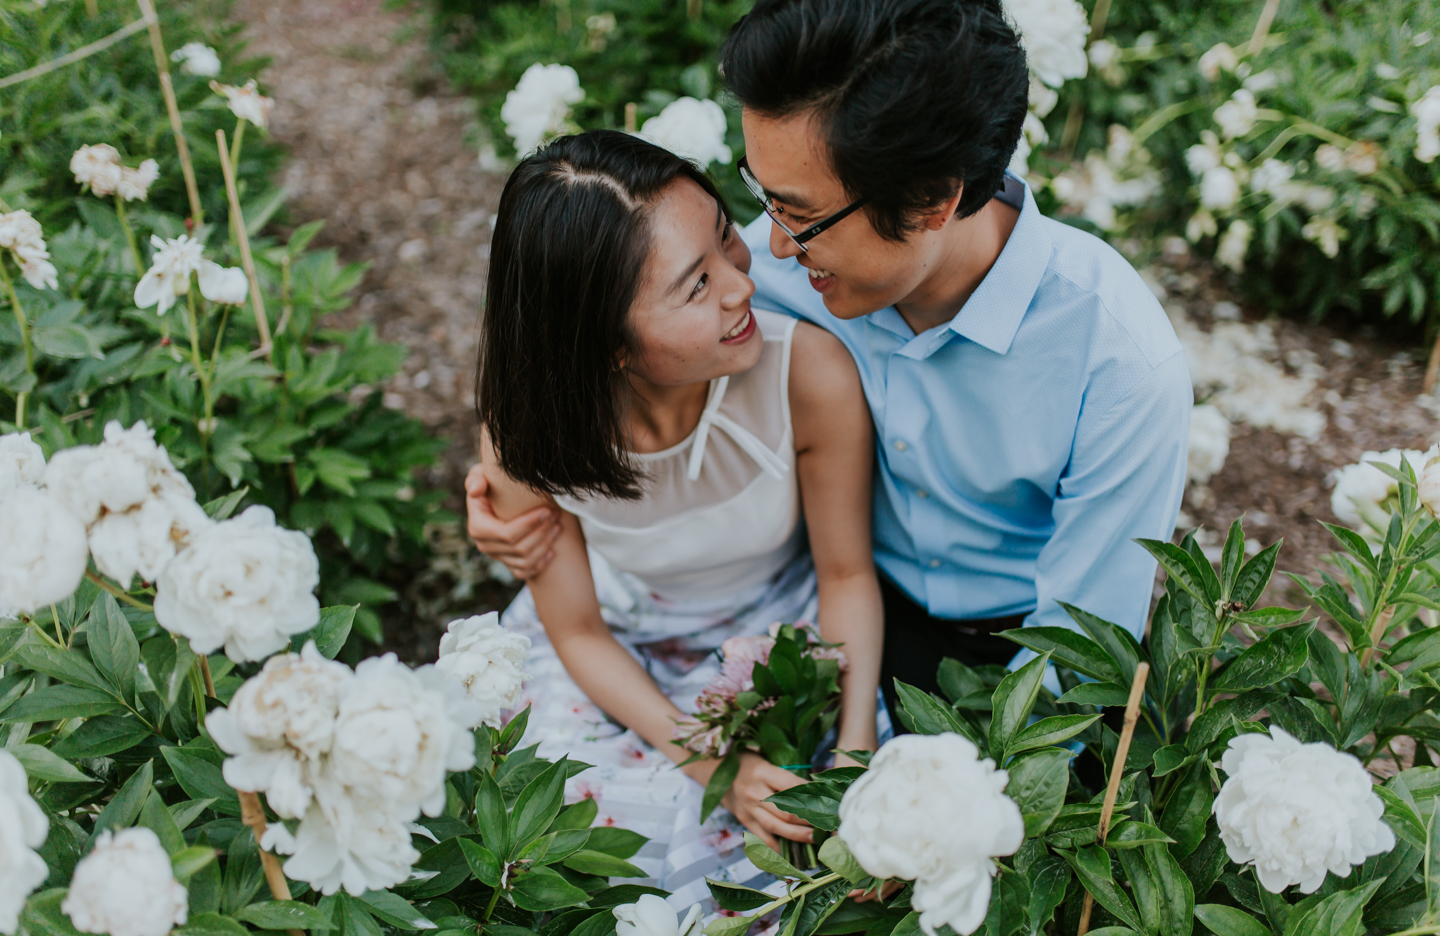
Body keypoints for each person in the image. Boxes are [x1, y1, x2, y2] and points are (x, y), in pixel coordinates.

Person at [468, 0, 1191, 720]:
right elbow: (601, 332)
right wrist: (517, 490)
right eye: (763, 197)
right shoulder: (767, 284)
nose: (770, 250)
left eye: (801, 216)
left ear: (933, 199)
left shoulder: (1119, 366)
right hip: (842, 611)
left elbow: (1085, 645)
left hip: (1020, 646)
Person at [467, 130, 885, 909]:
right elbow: (581, 631)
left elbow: (846, 572)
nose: (741, 287)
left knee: (781, 843)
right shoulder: (528, 429)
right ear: (609, 346)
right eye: (697, 286)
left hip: (780, 629)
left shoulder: (806, 373)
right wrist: (712, 763)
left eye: (728, 239)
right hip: (616, 637)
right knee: (551, 829)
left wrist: (855, 759)